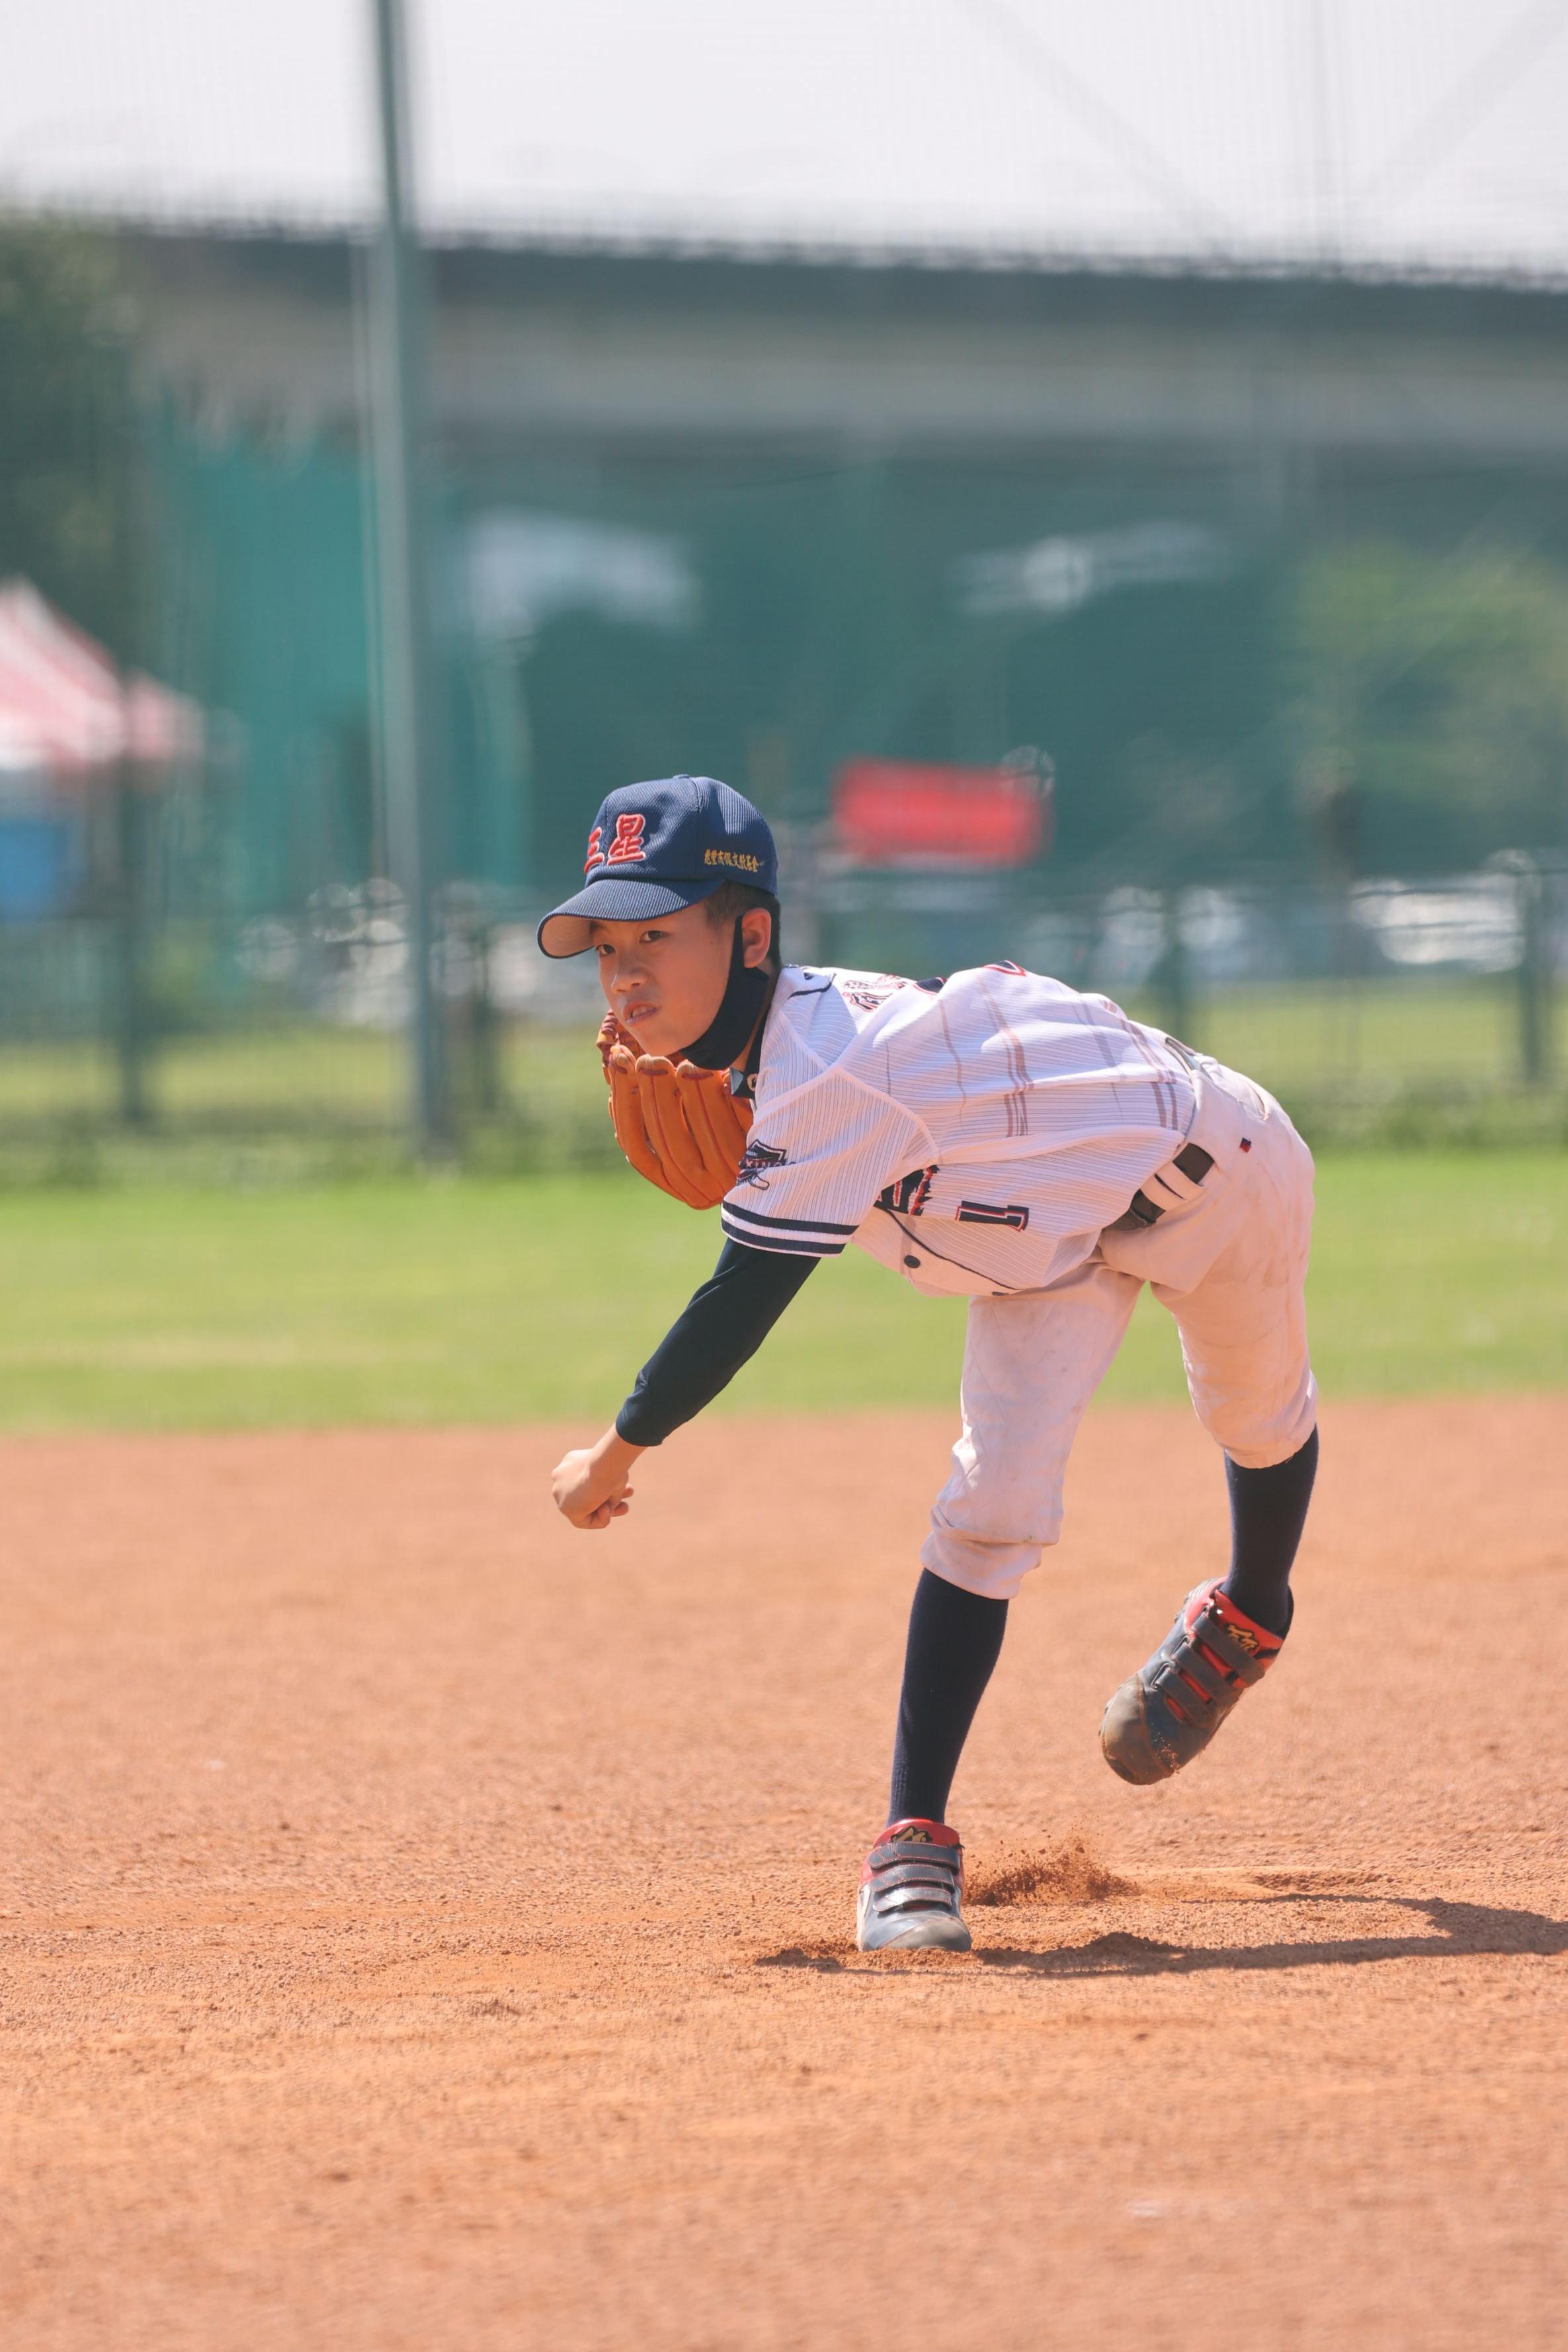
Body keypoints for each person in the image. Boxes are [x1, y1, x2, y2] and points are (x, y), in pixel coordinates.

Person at [543, 775, 1319, 1954]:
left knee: (1255, 1416)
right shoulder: (766, 1061)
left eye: (655, 935)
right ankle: (911, 1841)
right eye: (605, 947)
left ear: (750, 937)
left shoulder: (830, 1070)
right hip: (1039, 1247)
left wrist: (613, 1456)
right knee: (989, 1508)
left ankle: (1252, 1610)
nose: (624, 973)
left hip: (1218, 1169)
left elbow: (740, 1303)